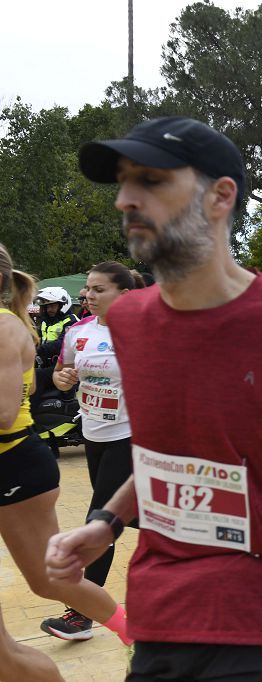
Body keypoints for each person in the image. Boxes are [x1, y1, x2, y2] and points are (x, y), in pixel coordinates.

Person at [45, 116, 262, 680]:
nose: (126, 199)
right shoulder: (128, 320)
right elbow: (157, 454)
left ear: (221, 196)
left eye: (150, 181)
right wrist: (106, 522)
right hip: (160, 611)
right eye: (124, 182)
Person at [40, 263, 143, 641]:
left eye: (99, 289)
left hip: (129, 435)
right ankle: (207, 545)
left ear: (124, 295)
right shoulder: (78, 332)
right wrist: (61, 378)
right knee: (125, 518)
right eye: (87, 289)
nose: (89, 295)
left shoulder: (143, 332)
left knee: (99, 519)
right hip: (93, 434)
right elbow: (62, 372)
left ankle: (82, 614)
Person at [0, 244, 68, 681]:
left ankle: (135, 634)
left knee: (49, 581)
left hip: (17, 462)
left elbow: (4, 412)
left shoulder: (5, 326)